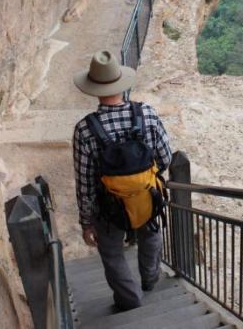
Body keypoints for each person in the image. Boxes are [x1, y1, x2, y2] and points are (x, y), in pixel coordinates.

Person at [72, 50, 173, 310]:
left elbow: (85, 182)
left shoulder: (85, 129)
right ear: (121, 83)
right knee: (150, 235)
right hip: (146, 197)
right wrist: (142, 178)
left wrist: (86, 222)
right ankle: (150, 280)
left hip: (109, 207)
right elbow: (166, 157)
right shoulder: (147, 114)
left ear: (94, 89)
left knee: (112, 252)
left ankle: (130, 299)